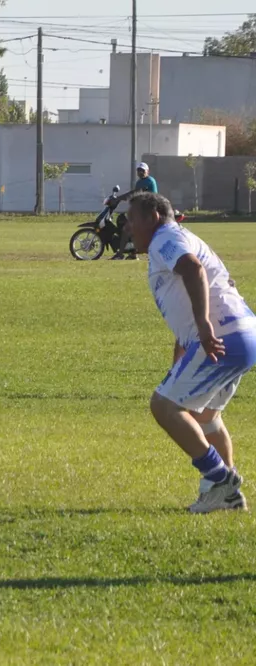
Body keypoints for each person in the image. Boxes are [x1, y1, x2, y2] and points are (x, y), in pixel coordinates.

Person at [127, 191, 256, 513]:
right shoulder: (179, 236)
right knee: (205, 416)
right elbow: (186, 297)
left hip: (222, 335)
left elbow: (193, 269)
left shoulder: (164, 239)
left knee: (163, 406)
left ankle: (220, 481)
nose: (128, 227)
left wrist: (203, 326)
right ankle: (227, 495)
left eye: (132, 218)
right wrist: (184, 347)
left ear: (153, 217)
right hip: (243, 334)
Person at [113, 162, 159, 260]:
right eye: (139, 170)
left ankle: (120, 254)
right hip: (142, 211)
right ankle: (133, 254)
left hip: (148, 211)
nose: (140, 172)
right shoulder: (139, 182)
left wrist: (118, 198)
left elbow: (135, 193)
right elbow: (136, 196)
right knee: (130, 228)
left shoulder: (149, 181)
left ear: (147, 171)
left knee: (126, 229)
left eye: (142, 170)